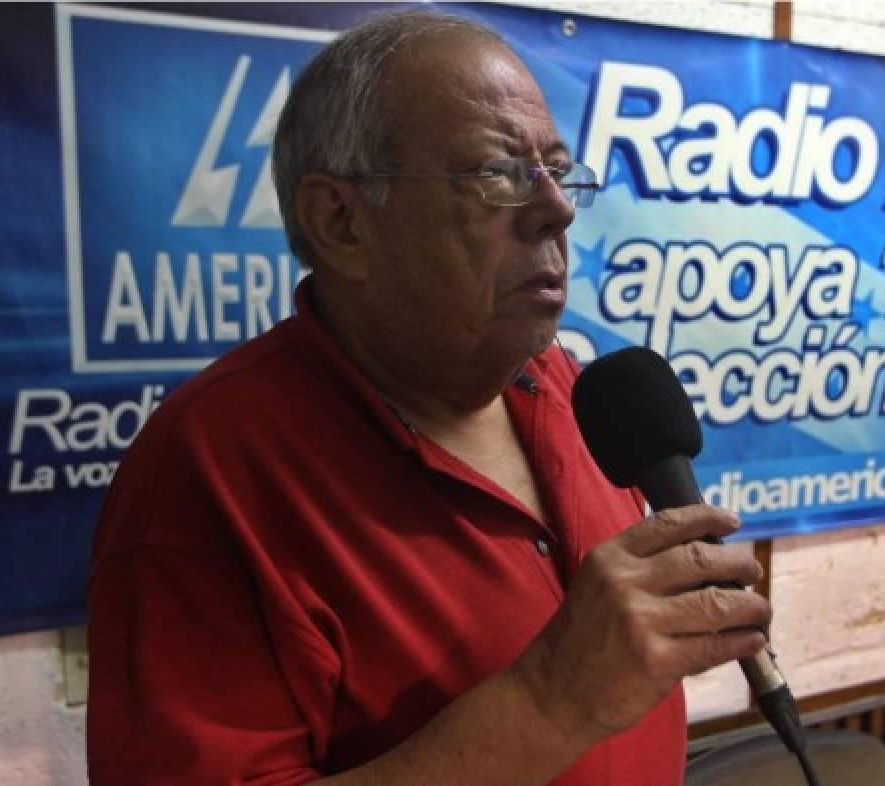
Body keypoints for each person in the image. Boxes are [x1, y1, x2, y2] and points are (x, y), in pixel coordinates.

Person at [87, 11, 770, 786]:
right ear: (340, 221)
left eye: (556, 168)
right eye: (497, 174)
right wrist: (551, 701)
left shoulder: (565, 388)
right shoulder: (206, 472)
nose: (557, 208)